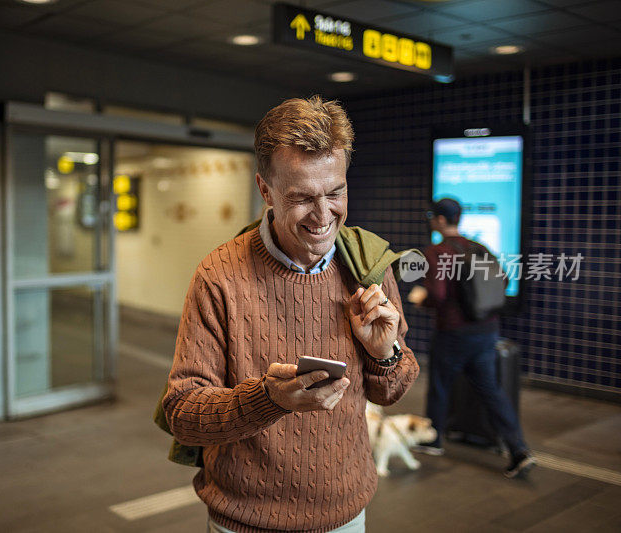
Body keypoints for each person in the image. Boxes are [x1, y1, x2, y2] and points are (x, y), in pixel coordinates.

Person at [162, 96, 419, 533]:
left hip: (347, 516)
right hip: (245, 521)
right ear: (266, 190)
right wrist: (270, 399)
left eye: (336, 192)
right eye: (301, 198)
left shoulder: (368, 265)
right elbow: (183, 414)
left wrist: (385, 353)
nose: (323, 216)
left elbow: (390, 392)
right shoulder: (219, 277)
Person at [407, 198, 535, 479]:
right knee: (492, 390)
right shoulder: (479, 247)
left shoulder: (437, 252)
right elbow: (502, 280)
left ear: (441, 221)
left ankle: (434, 438)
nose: (431, 220)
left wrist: (422, 300)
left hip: (453, 332)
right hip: (486, 330)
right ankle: (518, 449)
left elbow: (438, 295)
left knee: (440, 386)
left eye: (433, 216)